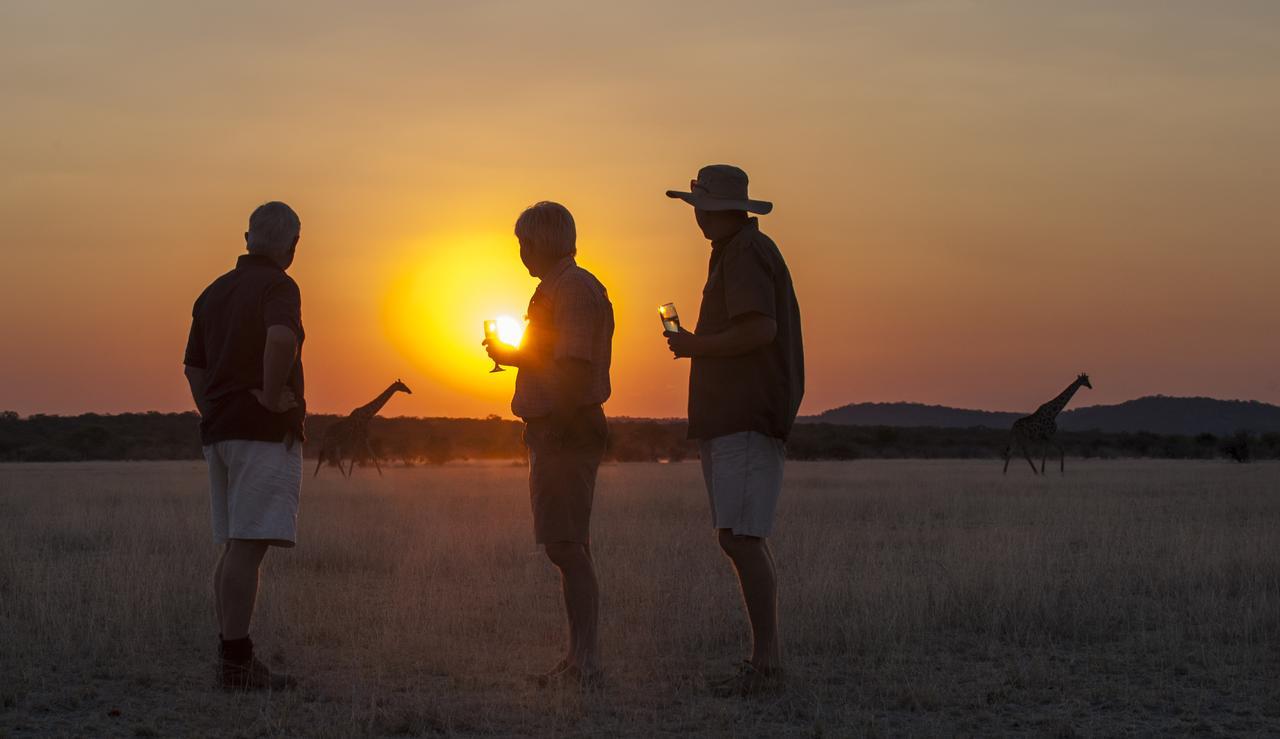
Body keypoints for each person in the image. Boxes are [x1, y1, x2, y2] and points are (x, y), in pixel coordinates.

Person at [664, 165, 804, 696]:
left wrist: (697, 346)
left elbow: (760, 329)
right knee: (741, 537)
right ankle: (765, 662)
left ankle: (767, 666)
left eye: (699, 205)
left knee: (742, 539)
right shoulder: (738, 250)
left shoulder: (745, 253)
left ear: (712, 209)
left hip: (745, 413)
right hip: (736, 414)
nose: (696, 215)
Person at [484, 201, 614, 688]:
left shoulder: (574, 289)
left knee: (566, 546)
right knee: (565, 545)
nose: (520, 253)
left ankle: (586, 662)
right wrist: (515, 356)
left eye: (522, 243)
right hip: (556, 426)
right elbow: (557, 360)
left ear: (536, 243)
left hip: (565, 427)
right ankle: (579, 658)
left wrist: (552, 417)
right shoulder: (557, 289)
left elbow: (574, 368)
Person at [183, 201, 306, 691]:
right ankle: (236, 663)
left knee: (236, 544)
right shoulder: (280, 285)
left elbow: (193, 366)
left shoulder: (214, 291)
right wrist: (273, 397)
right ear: (292, 245)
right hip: (260, 433)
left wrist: (212, 409)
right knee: (248, 547)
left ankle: (230, 653)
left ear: (248, 236)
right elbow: (281, 340)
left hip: (222, 431)